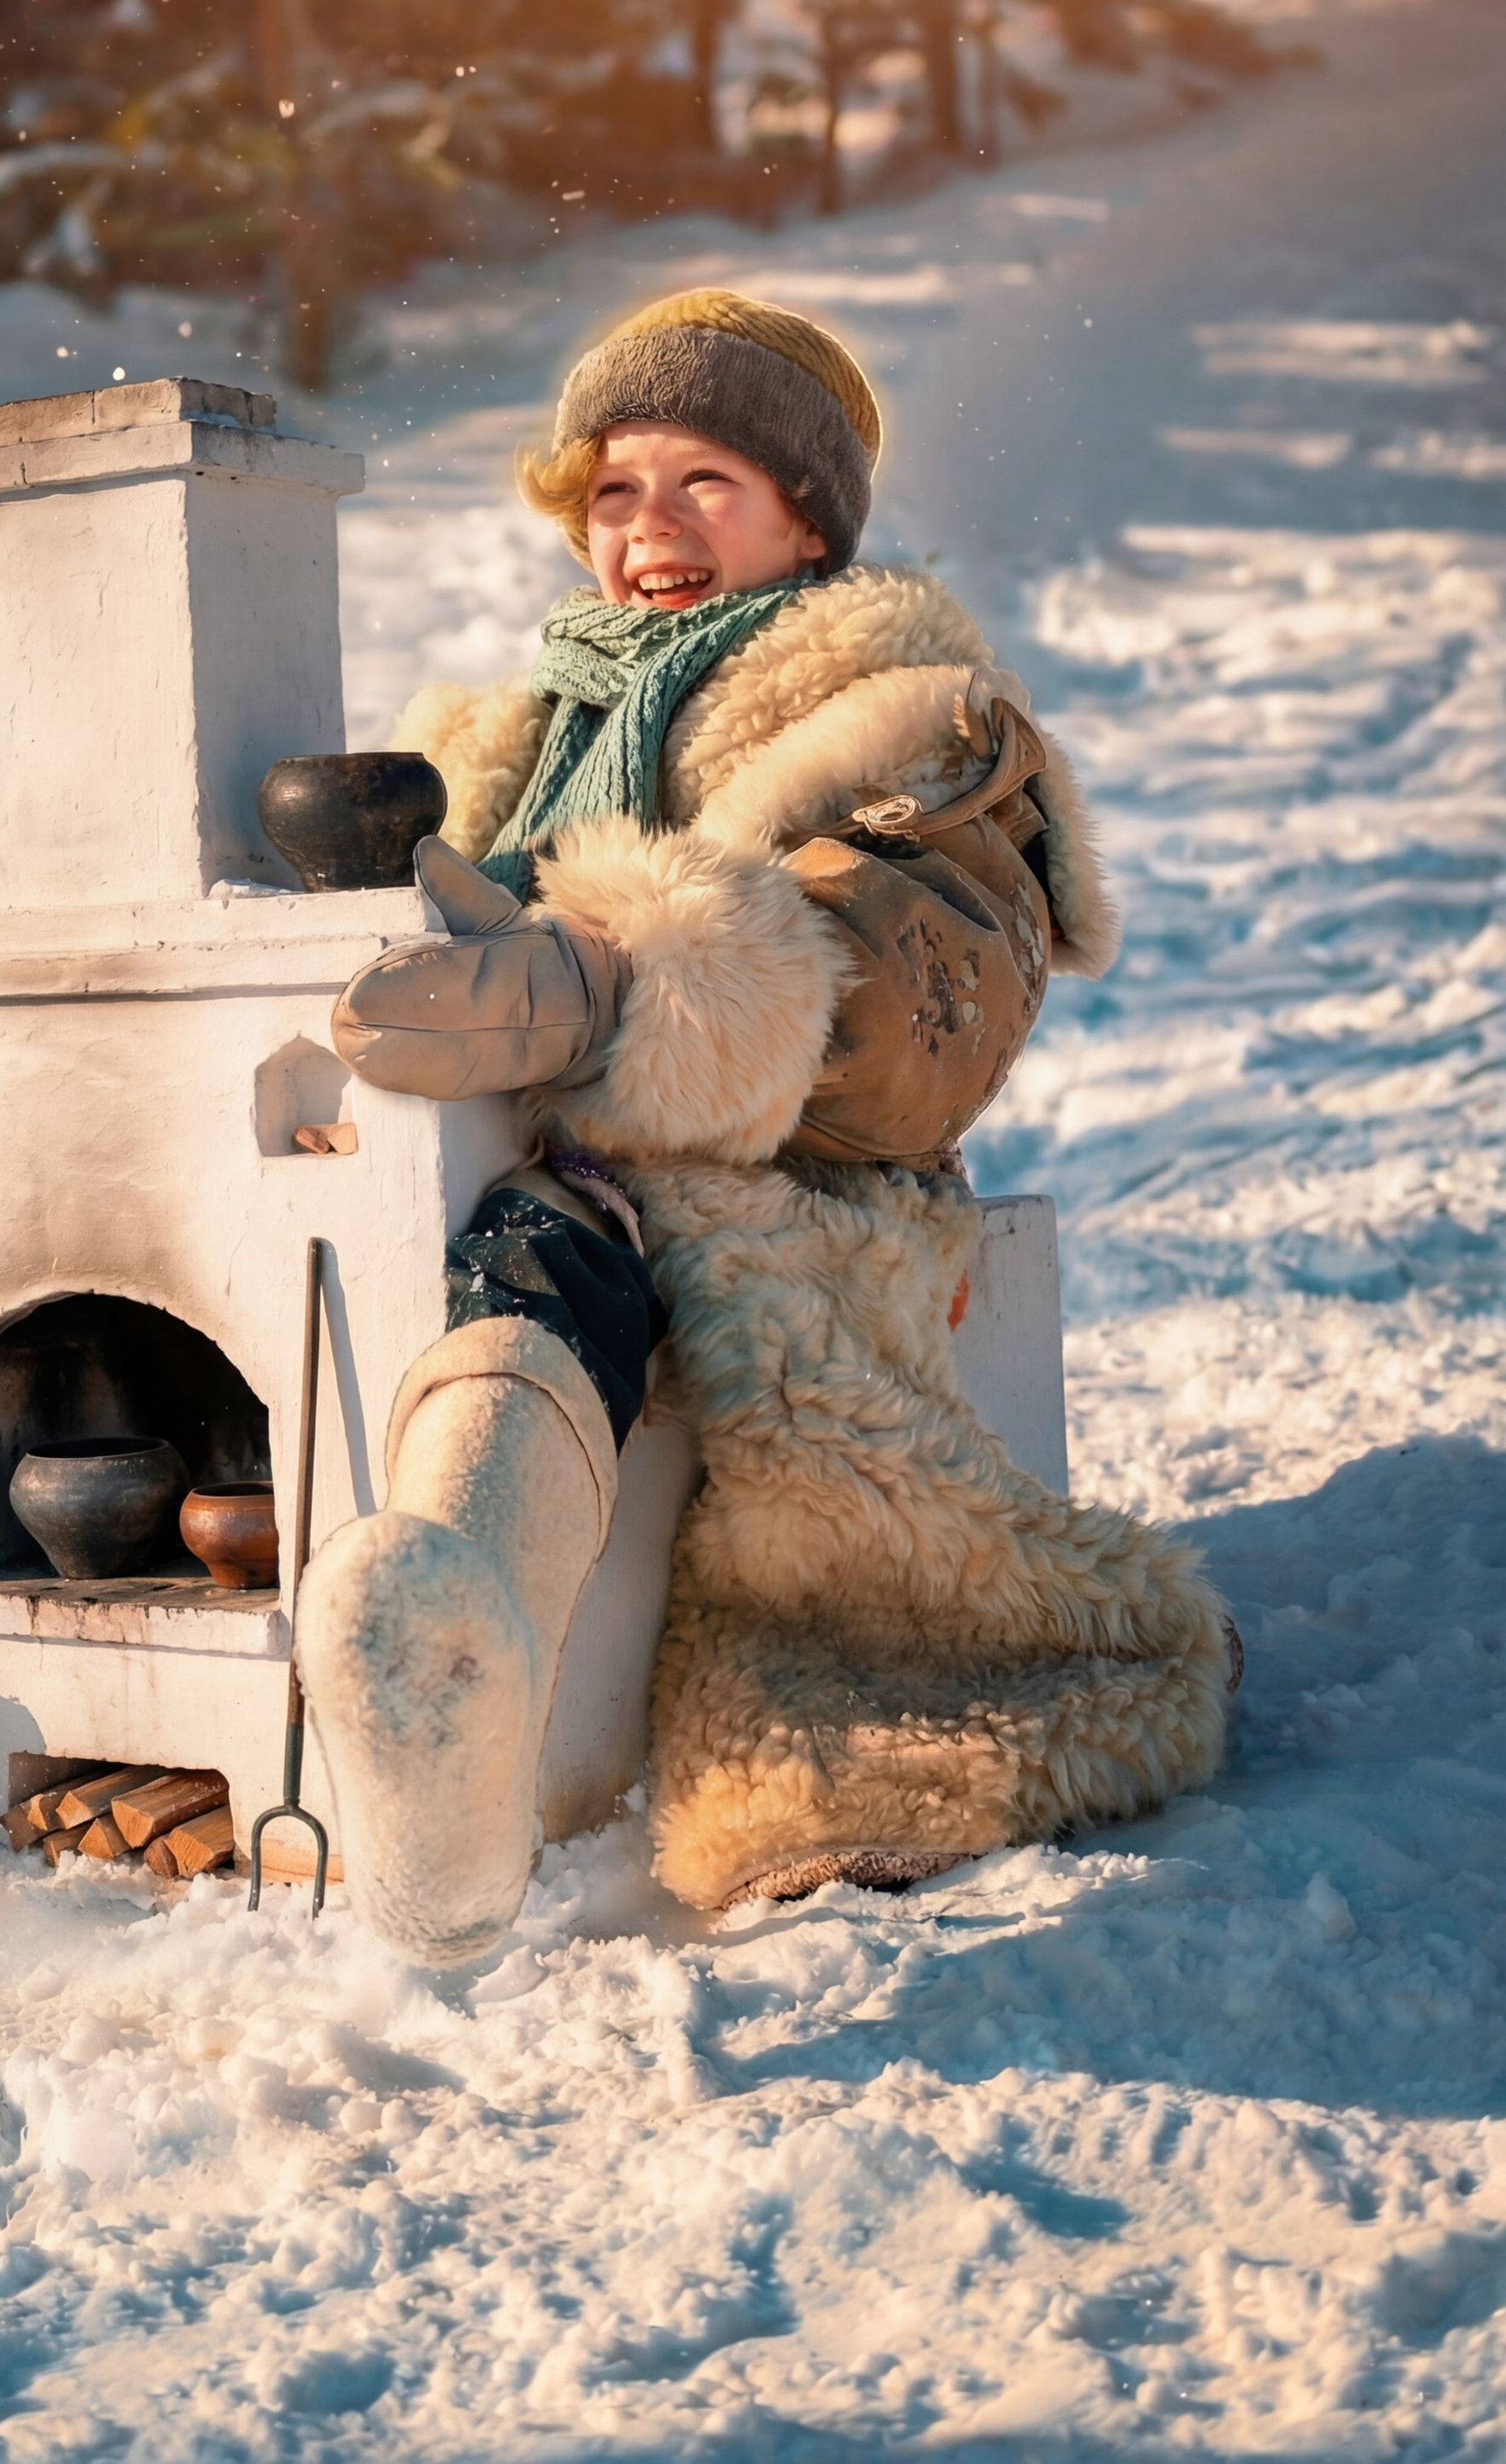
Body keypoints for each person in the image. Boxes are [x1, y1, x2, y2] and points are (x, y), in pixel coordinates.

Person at [296, 288, 1232, 1966]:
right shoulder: (497, 743)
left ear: (805, 513)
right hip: (475, 1163)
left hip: (768, 1195)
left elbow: (904, 1000)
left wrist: (613, 988)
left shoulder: (913, 726)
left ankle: (462, 1661)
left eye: (699, 483)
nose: (643, 530)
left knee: (557, 1238)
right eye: (608, 491)